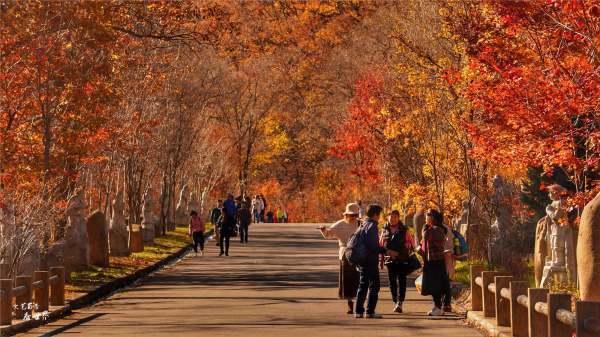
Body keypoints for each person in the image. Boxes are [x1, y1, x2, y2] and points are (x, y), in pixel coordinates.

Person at [355, 204, 398, 319]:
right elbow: (373, 246)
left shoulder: (363, 223)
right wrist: (387, 251)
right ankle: (369, 311)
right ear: (375, 215)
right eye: (379, 214)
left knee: (363, 285)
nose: (379, 217)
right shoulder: (372, 226)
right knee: (374, 286)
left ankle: (358, 311)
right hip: (370, 260)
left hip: (362, 259)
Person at [319, 203, 362, 314]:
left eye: (355, 215)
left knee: (359, 279)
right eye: (351, 215)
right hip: (345, 254)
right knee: (347, 280)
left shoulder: (360, 224)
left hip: (358, 254)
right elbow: (329, 234)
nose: (353, 217)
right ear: (346, 214)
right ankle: (350, 303)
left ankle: (360, 302)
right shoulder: (340, 224)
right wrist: (323, 230)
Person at [380, 210, 414, 313]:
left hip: (402, 258)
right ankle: (395, 301)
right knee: (392, 282)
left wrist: (408, 245)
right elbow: (381, 245)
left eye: (395, 217)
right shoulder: (384, 230)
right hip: (389, 260)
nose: (392, 219)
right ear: (388, 218)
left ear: (398, 218)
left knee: (402, 281)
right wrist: (380, 260)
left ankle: (400, 302)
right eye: (391, 217)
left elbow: (411, 242)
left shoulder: (404, 229)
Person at [419, 208, 450, 316]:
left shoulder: (437, 229)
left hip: (436, 261)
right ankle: (438, 307)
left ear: (433, 217)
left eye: (428, 215)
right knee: (433, 286)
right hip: (431, 261)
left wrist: (425, 229)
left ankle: (438, 307)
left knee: (435, 286)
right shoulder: (432, 228)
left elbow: (427, 236)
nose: (426, 217)